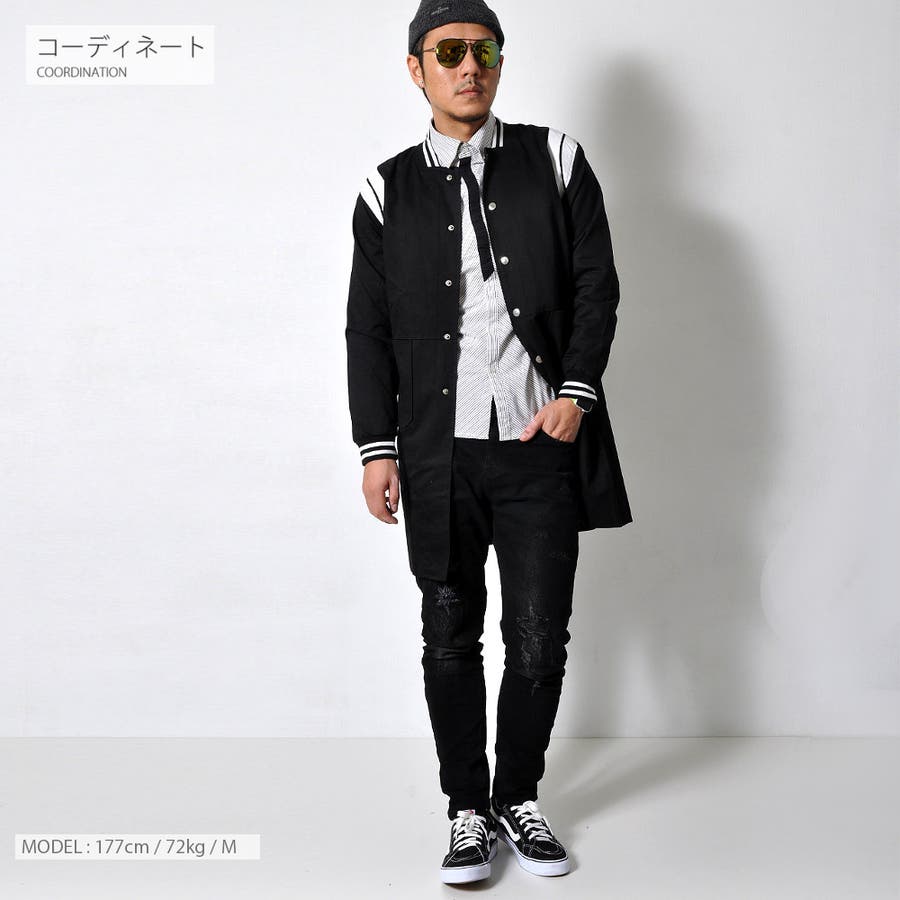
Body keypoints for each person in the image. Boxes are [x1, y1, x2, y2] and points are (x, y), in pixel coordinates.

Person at [345, 0, 632, 883]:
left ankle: (519, 797)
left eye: (484, 50)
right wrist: (376, 446)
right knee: (448, 633)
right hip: (438, 451)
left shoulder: (556, 158)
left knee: (539, 637)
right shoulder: (386, 189)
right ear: (417, 69)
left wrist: (576, 393)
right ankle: (467, 808)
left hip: (537, 440)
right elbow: (367, 329)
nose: (470, 66)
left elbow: (598, 284)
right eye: (449, 52)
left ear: (499, 61)